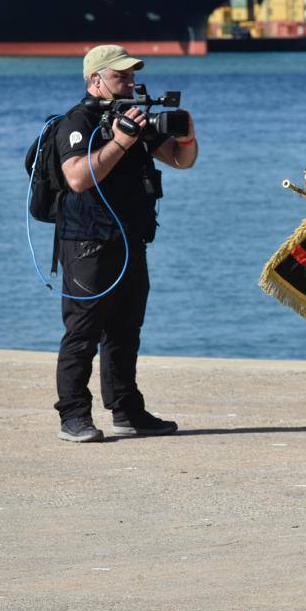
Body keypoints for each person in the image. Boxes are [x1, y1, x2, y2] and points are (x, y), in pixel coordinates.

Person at [52, 44, 198, 443]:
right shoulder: (77, 121)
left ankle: (127, 411)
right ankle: (73, 416)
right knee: (82, 331)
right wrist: (119, 142)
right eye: (121, 77)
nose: (130, 84)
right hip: (87, 242)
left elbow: (182, 161)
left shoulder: (133, 119)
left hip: (131, 239)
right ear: (96, 80)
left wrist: (186, 135)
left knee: (125, 330)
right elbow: (78, 178)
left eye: (132, 76)